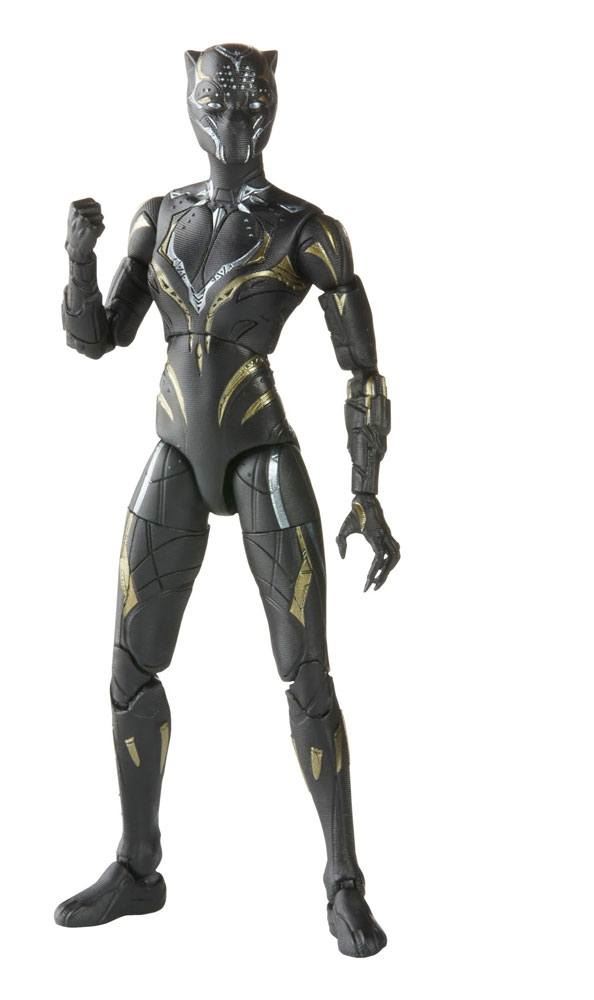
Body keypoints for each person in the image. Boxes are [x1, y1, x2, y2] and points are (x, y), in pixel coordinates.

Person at [55, 43, 400, 958]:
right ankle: (138, 865)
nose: (236, 124)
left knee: (307, 676)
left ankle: (343, 882)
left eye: (251, 108)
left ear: (274, 104)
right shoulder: (159, 217)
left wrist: (366, 493)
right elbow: (97, 337)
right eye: (219, 105)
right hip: (177, 449)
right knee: (130, 666)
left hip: (260, 454)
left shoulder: (307, 230)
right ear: (190, 98)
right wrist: (80, 260)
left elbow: (362, 370)